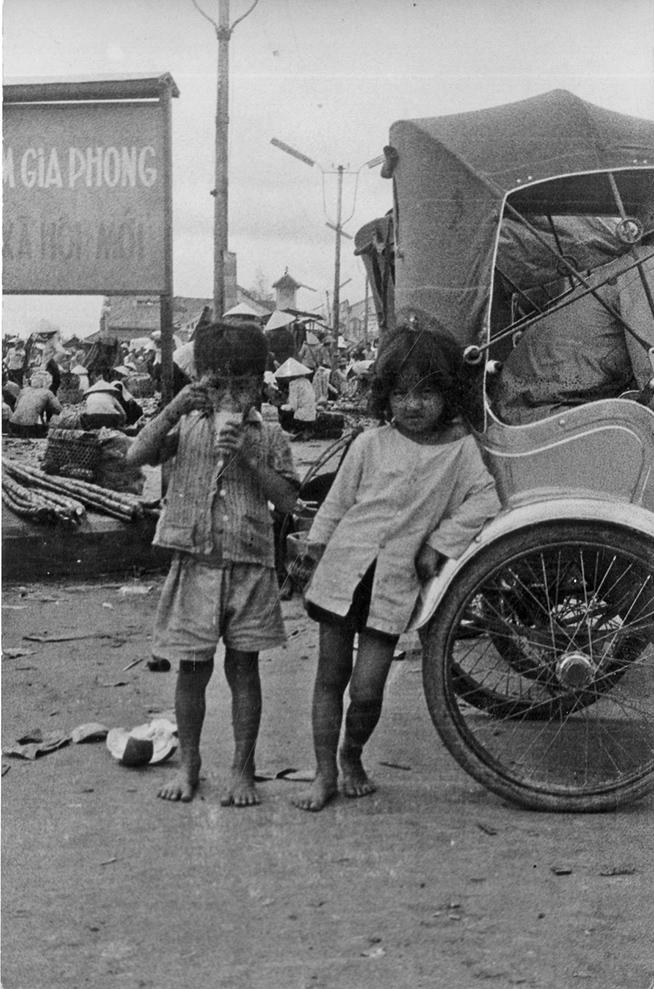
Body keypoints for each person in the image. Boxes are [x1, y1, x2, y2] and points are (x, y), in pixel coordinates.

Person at [291, 324, 500, 812]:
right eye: (400, 393)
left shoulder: (460, 450)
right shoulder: (369, 442)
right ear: (385, 396)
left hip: (394, 582)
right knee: (330, 677)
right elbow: (337, 504)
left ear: (448, 393)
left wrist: (438, 544)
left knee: (367, 690)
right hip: (343, 571)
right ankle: (324, 773)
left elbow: (485, 499)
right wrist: (313, 554)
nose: (412, 405)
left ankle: (351, 754)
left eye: (426, 393)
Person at [124, 320, 299, 805]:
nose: (229, 397)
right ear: (199, 380)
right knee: (192, 671)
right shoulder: (187, 425)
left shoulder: (269, 434)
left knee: (244, 670)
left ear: (259, 384)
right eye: (216, 384)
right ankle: (190, 765)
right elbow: (136, 455)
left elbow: (288, 500)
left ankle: (243, 769)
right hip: (195, 564)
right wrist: (175, 407)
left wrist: (249, 459)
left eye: (241, 385)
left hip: (250, 566)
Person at [493, 239, 654, 424]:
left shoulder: (641, 262)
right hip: (539, 408)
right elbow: (649, 373)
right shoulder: (648, 269)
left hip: (536, 399)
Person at [8, 372, 62, 438]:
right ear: (47, 382)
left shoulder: (24, 390)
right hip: (31, 427)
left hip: (13, 425)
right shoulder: (47, 393)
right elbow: (59, 409)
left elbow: (15, 407)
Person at [275, 358, 317, 437]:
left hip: (301, 416)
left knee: (282, 409)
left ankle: (291, 430)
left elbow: (293, 406)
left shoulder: (293, 383)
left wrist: (282, 406)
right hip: (311, 414)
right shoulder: (306, 381)